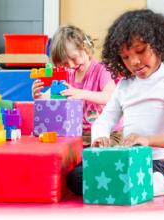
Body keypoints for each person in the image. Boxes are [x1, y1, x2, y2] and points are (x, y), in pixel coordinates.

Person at [91, 9, 164, 196]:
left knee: (130, 185)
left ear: (158, 45)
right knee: (75, 179)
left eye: (140, 51)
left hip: (156, 164)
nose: (134, 61)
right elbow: (103, 121)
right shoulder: (124, 86)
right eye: (125, 57)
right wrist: (99, 137)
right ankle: (142, 185)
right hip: (125, 159)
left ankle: (161, 182)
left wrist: (147, 140)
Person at [31, 25, 122, 195]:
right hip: (79, 137)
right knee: (66, 171)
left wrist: (80, 93)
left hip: (109, 135)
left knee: (95, 164)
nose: (72, 65)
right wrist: (38, 96)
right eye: (65, 64)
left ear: (86, 47)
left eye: (74, 58)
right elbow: (49, 98)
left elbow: (110, 97)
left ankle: (110, 180)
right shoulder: (69, 75)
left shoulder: (101, 70)